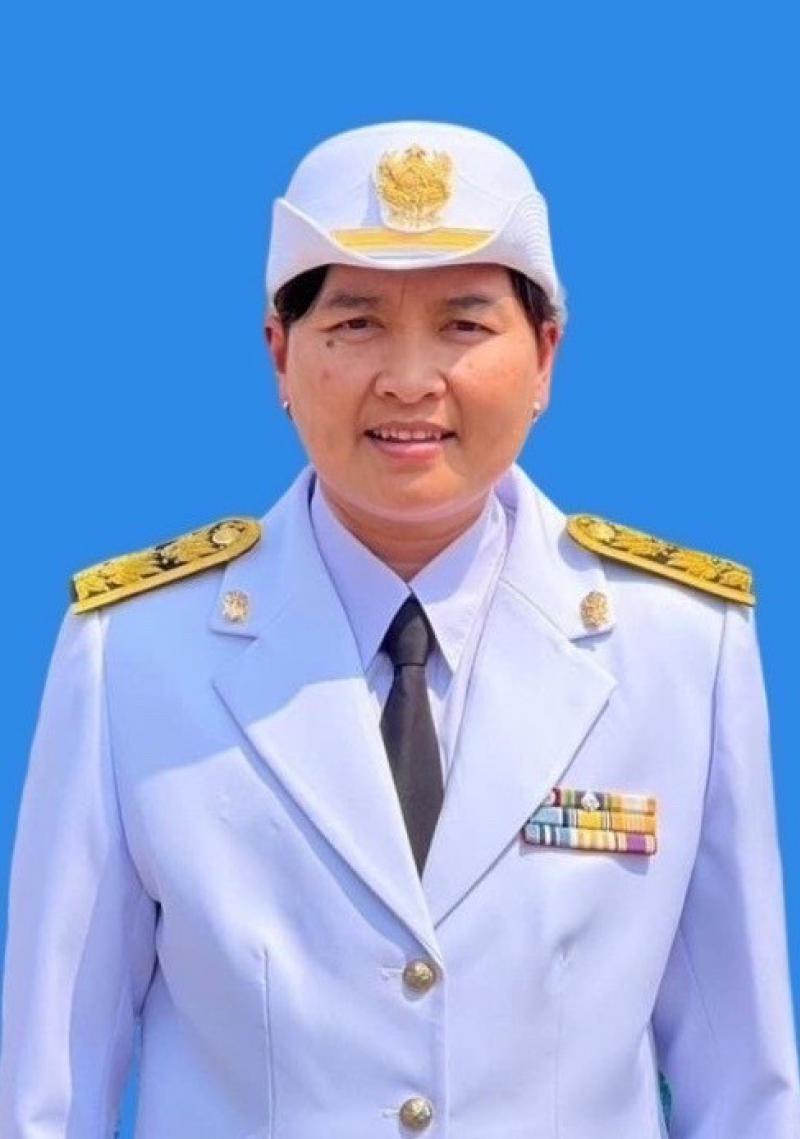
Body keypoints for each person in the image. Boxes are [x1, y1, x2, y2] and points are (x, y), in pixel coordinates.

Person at [0, 119, 798, 1139]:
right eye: (356, 323)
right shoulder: (136, 653)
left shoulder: (680, 645)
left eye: (464, 324)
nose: (411, 379)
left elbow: (745, 1086)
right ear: (280, 352)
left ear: (545, 354)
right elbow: (48, 1090)